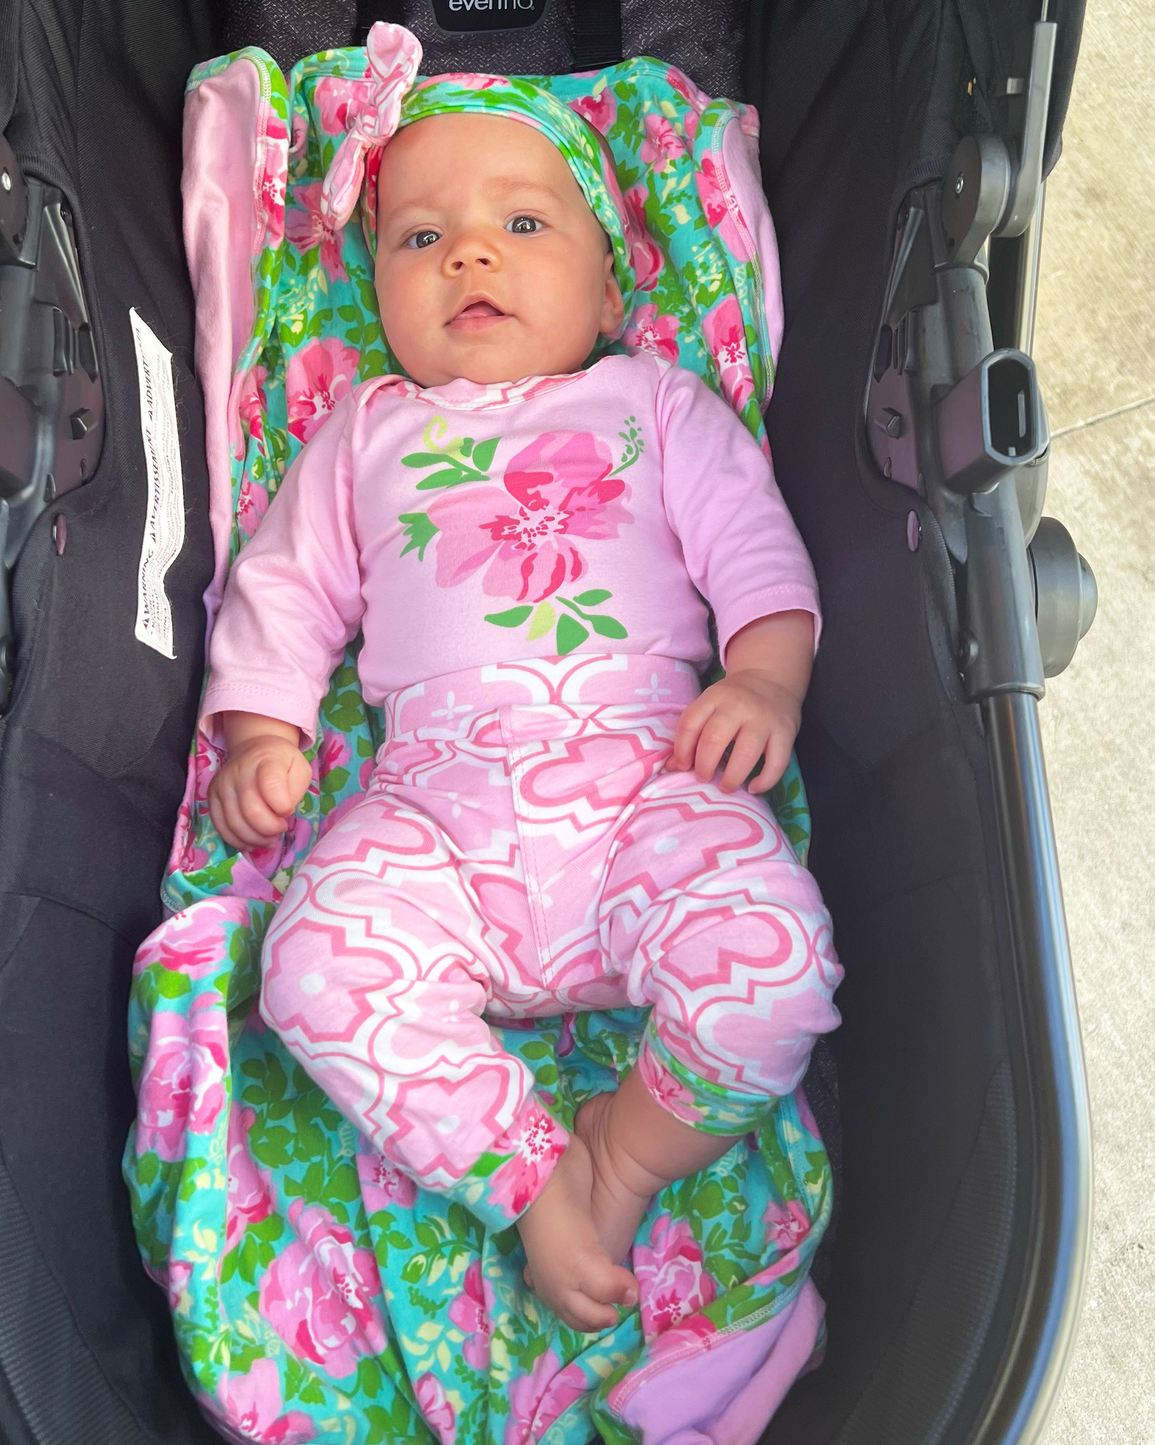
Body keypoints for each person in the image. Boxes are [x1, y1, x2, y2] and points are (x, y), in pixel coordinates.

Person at [200, 25, 841, 1334]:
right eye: (419, 238)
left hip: (645, 792)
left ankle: (625, 1152)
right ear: (374, 291)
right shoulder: (364, 432)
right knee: (310, 965)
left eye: (524, 223)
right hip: (435, 812)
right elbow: (285, 585)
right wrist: (261, 731)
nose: (470, 253)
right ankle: (526, 1168)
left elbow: (756, 549)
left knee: (783, 972)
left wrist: (764, 683)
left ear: (610, 295)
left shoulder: (651, 405)